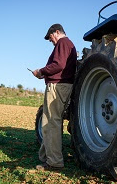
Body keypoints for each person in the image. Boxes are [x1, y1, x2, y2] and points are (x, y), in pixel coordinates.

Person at [32, 23, 77, 170]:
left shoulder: (63, 43)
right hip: (63, 86)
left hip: (57, 86)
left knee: (51, 123)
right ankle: (47, 156)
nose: (51, 41)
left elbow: (58, 65)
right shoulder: (68, 44)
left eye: (51, 37)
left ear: (57, 32)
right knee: (52, 122)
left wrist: (41, 71)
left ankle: (54, 162)